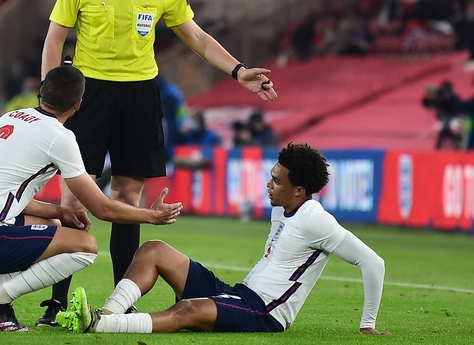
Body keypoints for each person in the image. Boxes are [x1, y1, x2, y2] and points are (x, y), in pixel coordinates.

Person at [39, 0, 277, 325]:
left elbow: (197, 36)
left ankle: (121, 303)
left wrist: (239, 72)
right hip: (88, 94)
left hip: (140, 96)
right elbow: (55, 38)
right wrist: (48, 100)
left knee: (128, 200)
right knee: (75, 198)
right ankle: (58, 302)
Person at [0, 65, 182, 332]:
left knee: (54, 226)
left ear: (41, 91)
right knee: (85, 246)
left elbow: (8, 194)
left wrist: (60, 211)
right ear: (79, 104)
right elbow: (101, 208)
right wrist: (152, 215)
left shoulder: (9, 118)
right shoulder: (60, 136)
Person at [57, 143, 389, 336]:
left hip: (264, 314)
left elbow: (372, 262)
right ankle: (106, 311)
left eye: (276, 180)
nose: (269, 184)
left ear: (299, 190)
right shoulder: (283, 208)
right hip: (239, 294)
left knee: (186, 309)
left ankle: (103, 326)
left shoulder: (316, 219)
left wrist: (367, 325)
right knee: (153, 249)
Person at [421, 81, 462, 150]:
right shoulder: (441, 98)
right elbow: (426, 102)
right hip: (445, 122)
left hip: (453, 122)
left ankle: (457, 146)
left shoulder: (453, 98)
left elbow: (459, 107)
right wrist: (433, 94)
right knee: (445, 134)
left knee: (452, 137)